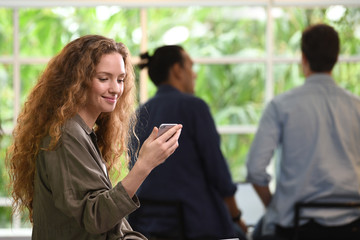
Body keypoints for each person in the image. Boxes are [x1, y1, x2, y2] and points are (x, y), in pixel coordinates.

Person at [6, 35, 182, 240]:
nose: (116, 88)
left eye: (120, 79)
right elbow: (96, 218)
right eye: (103, 78)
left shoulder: (82, 132)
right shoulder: (65, 135)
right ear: (78, 81)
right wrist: (144, 165)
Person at [246, 23, 360, 240]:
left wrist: (276, 206)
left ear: (303, 59)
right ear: (336, 59)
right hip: (353, 225)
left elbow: (255, 169)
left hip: (296, 227)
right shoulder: (357, 107)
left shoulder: (281, 106)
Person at [128, 45, 248, 240]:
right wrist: (236, 217)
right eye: (190, 67)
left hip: (144, 225)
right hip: (193, 224)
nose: (195, 75)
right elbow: (217, 171)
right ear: (177, 70)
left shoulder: (139, 114)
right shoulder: (194, 107)